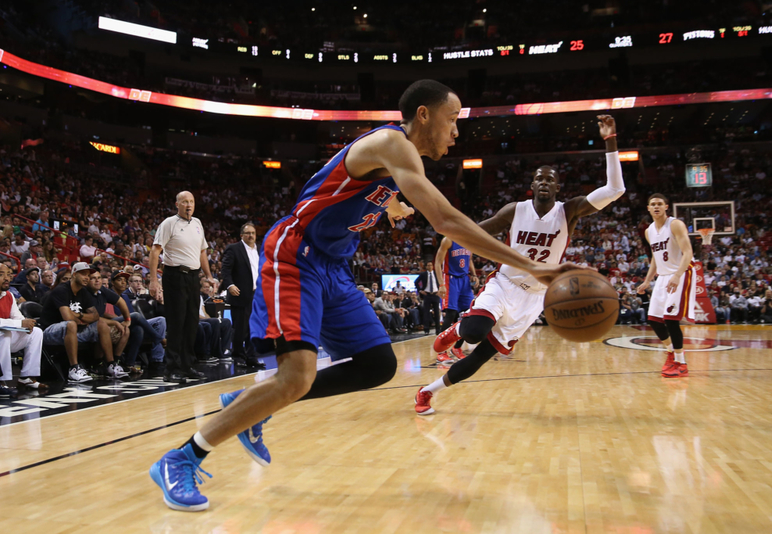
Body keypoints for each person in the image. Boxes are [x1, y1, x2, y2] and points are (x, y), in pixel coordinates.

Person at [150, 79, 586, 511]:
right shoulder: (393, 144)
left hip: (333, 268)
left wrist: (392, 204)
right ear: (424, 114)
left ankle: (254, 406)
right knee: (296, 374)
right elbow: (446, 221)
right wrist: (534, 266)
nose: (457, 133)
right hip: (296, 255)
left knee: (378, 365)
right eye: (453, 119)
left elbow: (373, 192)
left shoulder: (398, 164)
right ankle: (182, 457)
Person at [417, 114, 625, 415]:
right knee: (474, 332)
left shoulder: (570, 211)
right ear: (532, 184)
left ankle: (426, 392)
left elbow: (614, 190)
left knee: (480, 357)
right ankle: (457, 328)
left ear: (557, 187)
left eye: (550, 179)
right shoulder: (516, 210)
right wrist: (449, 233)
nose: (544, 182)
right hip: (505, 283)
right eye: (539, 178)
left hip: (534, 298)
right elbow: (476, 231)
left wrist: (610, 141)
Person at [149, 191, 215, 383]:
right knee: (177, 323)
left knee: (191, 323)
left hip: (194, 277)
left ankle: (187, 365)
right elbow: (155, 251)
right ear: (177, 204)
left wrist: (209, 276)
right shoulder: (169, 223)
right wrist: (154, 280)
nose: (189, 205)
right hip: (175, 275)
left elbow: (202, 252)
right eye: (185, 202)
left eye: (192, 202)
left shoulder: (197, 223)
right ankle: (171, 369)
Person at [636, 193, 696, 378]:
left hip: (682, 271)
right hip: (662, 276)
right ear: (648, 208)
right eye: (652, 204)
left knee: (670, 319)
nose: (656, 207)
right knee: (654, 319)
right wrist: (647, 280)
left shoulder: (675, 224)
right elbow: (655, 257)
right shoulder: (649, 231)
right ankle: (672, 352)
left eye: (659, 204)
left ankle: (681, 363)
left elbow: (688, 252)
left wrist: (678, 275)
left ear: (666, 207)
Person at [39, 262, 128, 383]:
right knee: (71, 324)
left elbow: (95, 316)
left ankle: (110, 365)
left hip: (75, 330)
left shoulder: (83, 292)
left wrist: (79, 315)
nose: (86, 277)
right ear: (74, 275)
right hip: (50, 332)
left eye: (88, 275)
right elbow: (67, 318)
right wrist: (82, 318)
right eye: (83, 274)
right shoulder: (61, 290)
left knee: (102, 325)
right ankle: (74, 369)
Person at [220, 222, 265, 368]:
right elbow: (225, 270)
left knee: (255, 327)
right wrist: (230, 285)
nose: (251, 235)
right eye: (248, 233)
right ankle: (238, 356)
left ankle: (252, 356)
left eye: (253, 233)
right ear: (241, 235)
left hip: (257, 295)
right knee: (240, 328)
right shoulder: (233, 249)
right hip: (240, 294)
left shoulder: (259, 250)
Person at [0, 264, 46, 391]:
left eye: (8, 274)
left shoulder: (8, 295)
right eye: (1, 274)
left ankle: (26, 377)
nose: (6, 278)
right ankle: (2, 380)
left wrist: (26, 323)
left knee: (36, 332)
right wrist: (19, 324)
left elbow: (17, 316)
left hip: (5, 339)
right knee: (4, 333)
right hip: (2, 337)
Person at [434, 237, 478, 362]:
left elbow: (469, 259)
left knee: (469, 313)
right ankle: (441, 352)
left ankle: (457, 348)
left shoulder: (468, 241)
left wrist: (474, 274)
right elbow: (437, 262)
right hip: (450, 279)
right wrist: (441, 284)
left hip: (464, 279)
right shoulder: (448, 240)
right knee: (450, 314)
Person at [415, 261, 442, 334]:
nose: (430, 266)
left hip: (435, 294)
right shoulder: (423, 274)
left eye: (431, 265)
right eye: (428, 265)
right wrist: (420, 290)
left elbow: (442, 281)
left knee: (437, 312)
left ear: (433, 266)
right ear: (426, 267)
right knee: (426, 312)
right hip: (427, 294)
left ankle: (438, 330)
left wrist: (440, 289)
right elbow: (416, 282)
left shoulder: (436, 273)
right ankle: (426, 330)